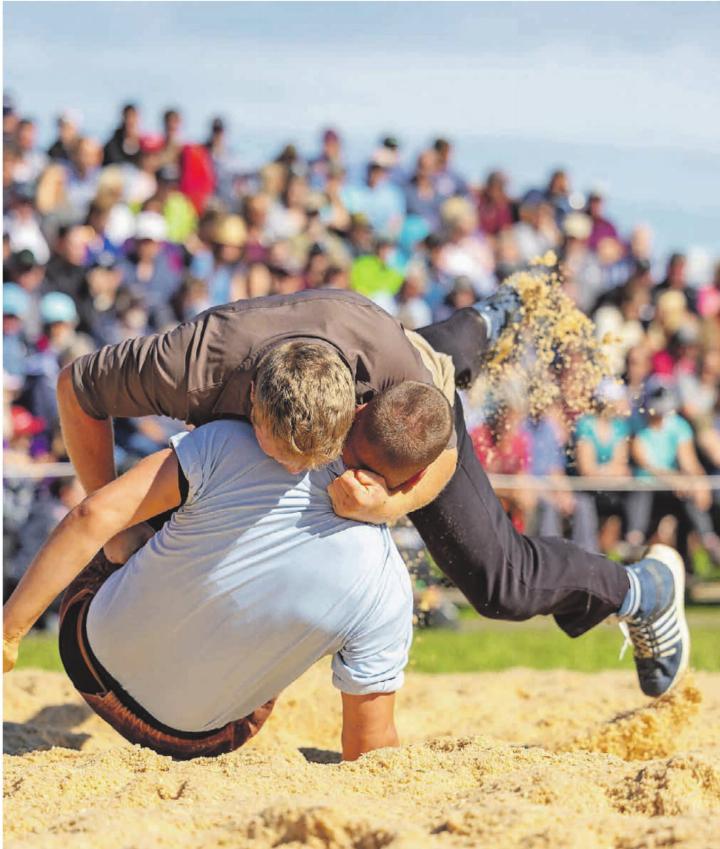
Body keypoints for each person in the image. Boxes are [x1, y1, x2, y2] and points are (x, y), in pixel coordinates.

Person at [57, 288, 690, 697]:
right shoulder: (187, 366)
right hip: (356, 349)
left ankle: (640, 591)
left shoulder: (395, 379)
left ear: (353, 412)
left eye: (325, 451)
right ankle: (477, 323)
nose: (314, 467)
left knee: (502, 585)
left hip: (404, 378)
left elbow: (437, 452)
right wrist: (118, 520)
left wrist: (388, 504)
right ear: (252, 404)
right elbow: (76, 390)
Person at [3, 417, 415, 761]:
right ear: (413, 479)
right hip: (190, 740)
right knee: (273, 650)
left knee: (129, 516)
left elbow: (93, 513)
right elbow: (368, 749)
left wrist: (9, 632)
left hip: (85, 655)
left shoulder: (230, 440)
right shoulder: (390, 586)